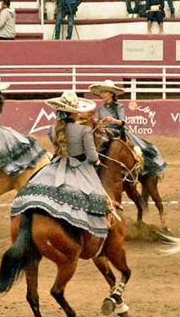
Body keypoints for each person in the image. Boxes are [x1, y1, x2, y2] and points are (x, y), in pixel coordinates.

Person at [10, 91, 109, 238]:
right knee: (99, 197)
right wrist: (96, 161)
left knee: (34, 184)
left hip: (56, 165)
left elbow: (60, 146)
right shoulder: (85, 130)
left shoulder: (52, 130)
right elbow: (92, 156)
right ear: (75, 112)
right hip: (79, 168)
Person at [91, 80, 167, 178]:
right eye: (101, 93)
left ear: (111, 94)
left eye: (104, 92)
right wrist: (99, 124)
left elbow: (122, 122)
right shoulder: (100, 109)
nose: (102, 95)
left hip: (118, 131)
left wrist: (112, 120)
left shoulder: (119, 106)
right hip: (104, 131)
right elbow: (98, 122)